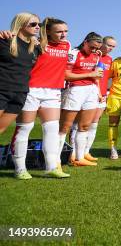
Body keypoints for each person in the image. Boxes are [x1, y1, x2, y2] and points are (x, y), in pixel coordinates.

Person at [8, 17, 70, 179]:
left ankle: (51, 167)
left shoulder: (67, 45)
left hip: (53, 92)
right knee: (24, 128)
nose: (63, 34)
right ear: (48, 31)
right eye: (59, 31)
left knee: (51, 129)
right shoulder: (35, 43)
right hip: (31, 90)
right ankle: (20, 169)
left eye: (65, 31)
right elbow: (17, 41)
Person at [0, 13, 42, 180]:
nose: (37, 27)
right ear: (21, 24)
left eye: (38, 24)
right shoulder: (6, 40)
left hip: (20, 93)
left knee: (1, 129)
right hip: (2, 89)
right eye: (33, 24)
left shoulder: (35, 47)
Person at [59, 32, 104, 167]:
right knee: (65, 127)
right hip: (74, 90)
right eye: (92, 47)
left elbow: (95, 75)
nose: (95, 50)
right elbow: (66, 75)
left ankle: (79, 158)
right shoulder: (73, 53)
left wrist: (98, 90)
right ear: (85, 42)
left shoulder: (96, 55)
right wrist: (91, 74)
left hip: (90, 90)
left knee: (84, 126)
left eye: (97, 48)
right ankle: (56, 160)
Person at [74, 35, 116, 163]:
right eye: (109, 45)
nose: (110, 48)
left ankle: (86, 152)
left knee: (93, 124)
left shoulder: (109, 59)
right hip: (88, 92)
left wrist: (105, 93)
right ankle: (73, 153)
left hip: (102, 95)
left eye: (113, 47)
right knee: (79, 124)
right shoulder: (92, 56)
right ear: (101, 43)